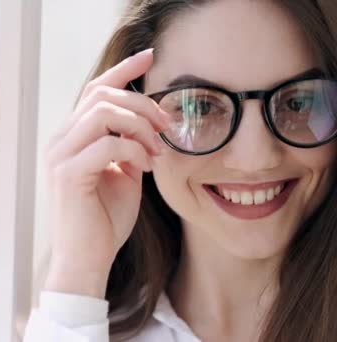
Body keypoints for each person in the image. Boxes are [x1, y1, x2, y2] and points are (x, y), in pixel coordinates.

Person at [24, 0, 337, 341]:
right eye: (200, 106)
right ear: (129, 115)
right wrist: (79, 275)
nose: (255, 159)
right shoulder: (79, 325)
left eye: (299, 103)